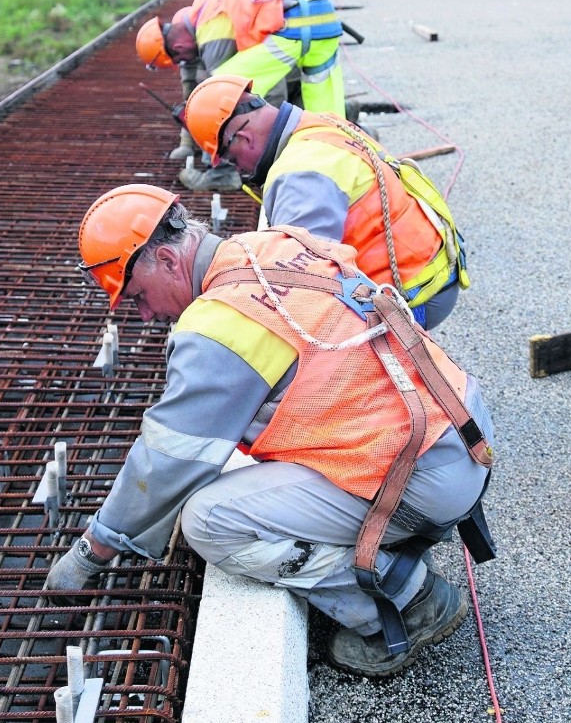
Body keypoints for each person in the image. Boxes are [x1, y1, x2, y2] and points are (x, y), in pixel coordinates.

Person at [45, 182, 495, 679]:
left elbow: (169, 458)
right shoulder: (273, 244)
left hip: (418, 475)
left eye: (138, 297)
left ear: (170, 261)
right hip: (459, 431)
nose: (146, 315)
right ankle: (397, 547)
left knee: (210, 520)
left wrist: (96, 547)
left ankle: (410, 602)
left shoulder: (220, 324)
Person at [184, 74, 470, 330]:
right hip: (431, 272)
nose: (240, 171)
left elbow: (302, 282)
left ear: (244, 138)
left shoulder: (299, 174)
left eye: (233, 160)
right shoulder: (319, 124)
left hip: (413, 294)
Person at [135, 0, 347, 191]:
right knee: (328, 116)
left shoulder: (211, 27)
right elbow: (192, 75)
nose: (184, 62)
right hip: (324, 18)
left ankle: (223, 174)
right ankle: (346, 154)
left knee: (223, 96)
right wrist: (187, 139)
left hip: (293, 25)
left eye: (179, 59)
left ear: (177, 47)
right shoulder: (207, 4)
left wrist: (204, 132)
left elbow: (220, 94)